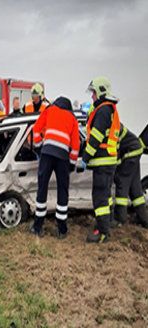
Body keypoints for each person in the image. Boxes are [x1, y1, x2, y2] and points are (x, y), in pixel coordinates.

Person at [30, 96, 80, 239]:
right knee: (62, 190)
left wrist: (39, 147)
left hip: (47, 154)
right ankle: (62, 229)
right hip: (62, 157)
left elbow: (36, 129)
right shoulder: (72, 117)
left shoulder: (49, 110)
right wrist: (72, 162)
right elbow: (76, 145)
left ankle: (38, 226)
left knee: (42, 188)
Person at [82, 76, 121, 243]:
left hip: (103, 162)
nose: (92, 96)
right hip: (108, 161)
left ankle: (102, 233)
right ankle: (106, 225)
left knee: (100, 198)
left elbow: (96, 138)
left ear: (101, 92)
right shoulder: (108, 109)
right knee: (105, 196)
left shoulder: (104, 110)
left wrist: (85, 157)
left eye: (94, 93)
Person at [112, 124, 148, 228]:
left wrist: (117, 167)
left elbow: (116, 149)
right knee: (135, 188)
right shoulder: (112, 121)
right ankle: (144, 219)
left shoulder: (111, 126)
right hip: (135, 151)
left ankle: (120, 218)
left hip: (130, 153)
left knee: (121, 182)